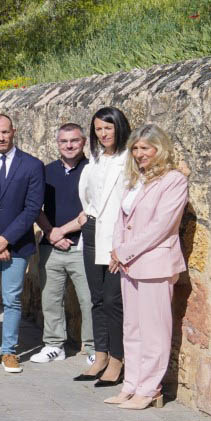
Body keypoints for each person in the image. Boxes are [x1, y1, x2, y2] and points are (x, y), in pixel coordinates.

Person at [104, 124, 189, 410]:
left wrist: (124, 251)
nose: (140, 154)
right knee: (133, 327)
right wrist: (117, 248)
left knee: (155, 330)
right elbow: (121, 217)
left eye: (145, 148)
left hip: (155, 264)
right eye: (136, 148)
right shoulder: (135, 179)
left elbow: (161, 226)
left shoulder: (173, 181)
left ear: (159, 149)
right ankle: (131, 385)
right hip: (130, 264)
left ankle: (151, 387)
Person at [0, 114, 44, 374]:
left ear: (13, 131)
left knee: (12, 299)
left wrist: (7, 239)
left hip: (18, 244)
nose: (1, 137)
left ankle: (10, 351)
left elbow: (33, 207)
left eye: (5, 132)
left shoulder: (32, 165)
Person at [75, 106, 132, 385]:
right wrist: (88, 214)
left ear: (119, 127)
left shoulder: (129, 159)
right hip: (93, 229)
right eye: (98, 129)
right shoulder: (95, 160)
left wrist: (121, 244)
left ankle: (117, 360)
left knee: (113, 300)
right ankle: (100, 355)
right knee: (96, 298)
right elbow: (86, 194)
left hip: (116, 235)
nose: (103, 133)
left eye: (108, 127)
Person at [32, 123, 94, 364]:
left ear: (83, 142)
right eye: (64, 141)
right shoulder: (45, 171)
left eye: (74, 141)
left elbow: (92, 210)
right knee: (50, 298)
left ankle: (93, 349)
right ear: (57, 144)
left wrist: (61, 231)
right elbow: (34, 206)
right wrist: (50, 233)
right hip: (51, 247)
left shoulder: (92, 170)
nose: (69, 145)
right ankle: (54, 345)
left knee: (88, 300)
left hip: (83, 246)